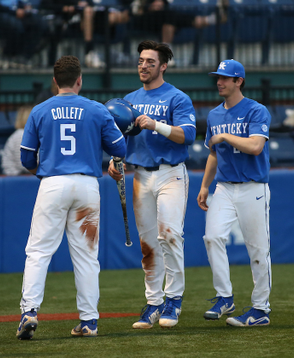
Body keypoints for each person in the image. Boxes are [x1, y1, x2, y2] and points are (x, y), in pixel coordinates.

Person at [16, 55, 126, 339]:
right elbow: (120, 148)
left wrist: (43, 171)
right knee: (87, 256)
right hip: (87, 186)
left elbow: (26, 157)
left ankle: (29, 312)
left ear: (55, 82)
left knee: (39, 251)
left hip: (52, 182)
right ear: (79, 80)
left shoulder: (39, 110)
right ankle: (89, 321)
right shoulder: (97, 110)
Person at [108, 40, 196, 329]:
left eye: (150, 61)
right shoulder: (128, 100)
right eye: (141, 61)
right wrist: (115, 160)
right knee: (148, 243)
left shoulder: (177, 98)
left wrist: (155, 124)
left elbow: (188, 135)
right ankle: (153, 302)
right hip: (140, 176)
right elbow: (120, 139)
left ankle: (174, 299)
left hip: (170, 172)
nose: (143, 66)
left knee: (170, 235)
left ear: (164, 65)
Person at [197, 59, 272, 326]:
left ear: (239, 81)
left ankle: (260, 310)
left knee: (258, 249)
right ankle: (224, 297)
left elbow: (255, 147)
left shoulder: (256, 110)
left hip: (253, 187)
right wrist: (205, 185)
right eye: (218, 77)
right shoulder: (215, 114)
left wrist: (226, 136)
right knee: (212, 236)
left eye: (225, 78)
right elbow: (213, 154)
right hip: (224, 187)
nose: (219, 82)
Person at [131, 0, 228, 63]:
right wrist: (147, 5)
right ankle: (211, 19)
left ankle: (165, 53)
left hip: (161, 17)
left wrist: (159, 3)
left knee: (170, 18)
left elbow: (165, 4)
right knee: (171, 17)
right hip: (141, 19)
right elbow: (133, 9)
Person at [41, 0, 131, 68]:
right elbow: (46, 5)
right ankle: (89, 52)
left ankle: (125, 55)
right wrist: (67, 8)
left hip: (100, 23)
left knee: (118, 16)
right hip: (74, 21)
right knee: (88, 12)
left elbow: (91, 4)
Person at [0, 0, 49, 69]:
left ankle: (24, 57)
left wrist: (25, 7)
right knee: (15, 25)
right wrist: (14, 12)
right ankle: (9, 56)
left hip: (15, 15)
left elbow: (20, 3)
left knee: (39, 24)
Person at [1, 105, 33, 176]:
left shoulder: (30, 134)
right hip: (15, 178)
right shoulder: (21, 135)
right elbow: (24, 165)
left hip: (26, 176)